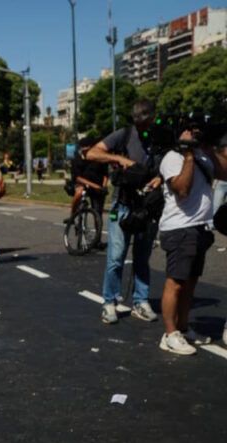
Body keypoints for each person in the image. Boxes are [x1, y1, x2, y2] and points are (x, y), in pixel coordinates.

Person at [86, 99, 161, 325]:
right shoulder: (124, 134)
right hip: (123, 204)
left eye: (146, 124)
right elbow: (92, 153)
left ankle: (141, 300)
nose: (143, 129)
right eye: (139, 124)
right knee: (116, 258)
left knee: (142, 257)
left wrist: (160, 179)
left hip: (148, 205)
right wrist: (119, 159)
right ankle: (109, 302)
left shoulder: (161, 137)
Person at [156, 124, 227, 355]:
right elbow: (182, 189)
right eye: (190, 133)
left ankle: (184, 329)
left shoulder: (203, 156)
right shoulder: (172, 158)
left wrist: (206, 148)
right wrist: (187, 153)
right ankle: (169, 334)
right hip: (180, 229)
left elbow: (224, 172)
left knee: (190, 283)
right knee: (175, 282)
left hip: (200, 228)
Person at [66, 137, 108, 229]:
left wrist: (104, 186)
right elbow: (78, 178)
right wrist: (95, 186)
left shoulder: (100, 159)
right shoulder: (77, 160)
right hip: (82, 184)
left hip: (98, 185)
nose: (86, 152)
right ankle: (72, 216)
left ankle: (97, 238)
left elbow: (105, 174)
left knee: (97, 212)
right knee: (79, 192)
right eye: (83, 150)